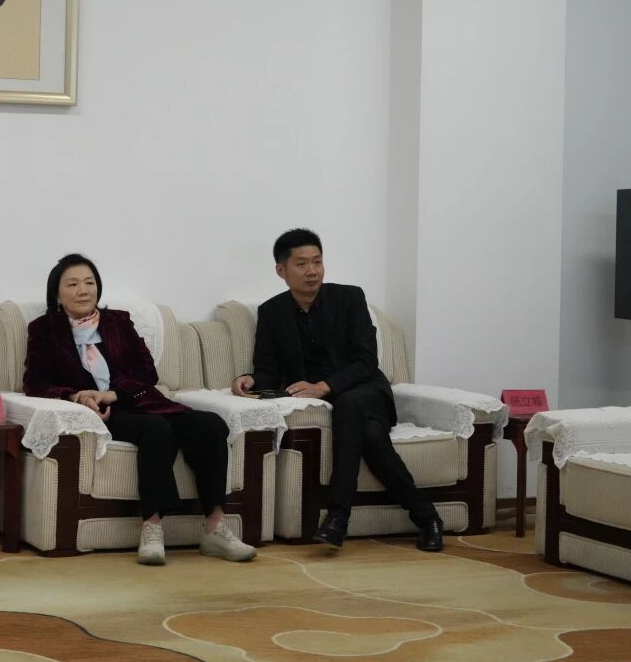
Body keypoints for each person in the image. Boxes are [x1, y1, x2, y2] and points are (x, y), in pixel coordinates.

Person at [23, 253, 256, 565]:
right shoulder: (45, 329)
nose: (83, 290)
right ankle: (152, 527)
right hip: (101, 415)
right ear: (57, 293)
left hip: (136, 401)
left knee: (210, 424)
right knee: (156, 430)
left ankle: (215, 527)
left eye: (89, 283)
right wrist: (77, 396)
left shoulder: (118, 322)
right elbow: (35, 382)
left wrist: (114, 393)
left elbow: (147, 371)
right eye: (73, 284)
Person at [232, 228, 443, 552]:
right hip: (340, 405)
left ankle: (338, 514)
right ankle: (427, 518)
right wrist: (250, 379)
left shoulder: (350, 299)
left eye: (317, 261)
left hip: (367, 391)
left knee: (349, 404)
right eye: (302, 263)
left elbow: (366, 362)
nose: (312, 270)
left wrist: (324, 387)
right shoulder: (272, 312)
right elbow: (268, 369)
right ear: (281, 270)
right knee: (370, 437)